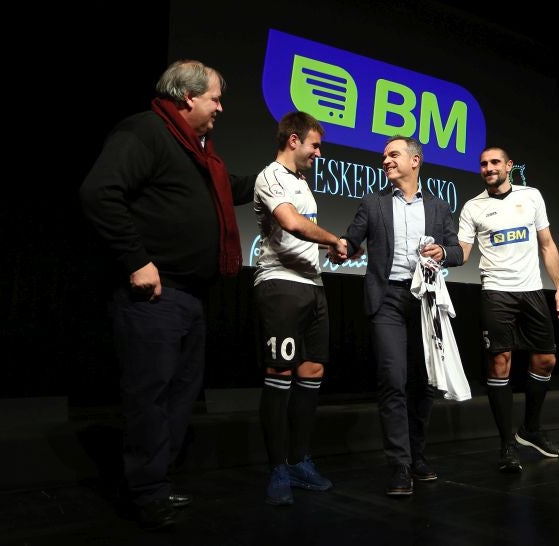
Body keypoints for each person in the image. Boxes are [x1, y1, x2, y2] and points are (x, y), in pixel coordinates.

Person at [79, 59, 255, 530]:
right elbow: (99, 193)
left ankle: (156, 481)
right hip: (155, 297)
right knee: (149, 398)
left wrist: (276, 175)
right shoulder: (146, 132)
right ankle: (146, 493)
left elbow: (227, 187)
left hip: (191, 297)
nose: (221, 107)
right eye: (215, 98)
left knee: (179, 398)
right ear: (187, 97)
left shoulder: (200, 153)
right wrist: (137, 260)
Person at [335, 136, 464, 496]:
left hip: (425, 301)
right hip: (388, 299)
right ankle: (399, 464)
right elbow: (352, 240)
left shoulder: (438, 207)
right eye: (384, 156)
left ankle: (418, 456)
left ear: (415, 161)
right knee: (393, 379)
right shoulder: (373, 203)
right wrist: (340, 246)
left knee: (423, 383)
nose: (386, 161)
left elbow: (457, 252)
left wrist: (442, 251)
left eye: (393, 155)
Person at [253, 111, 348, 506]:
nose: (318, 152)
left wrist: (330, 249)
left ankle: (299, 462)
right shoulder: (269, 176)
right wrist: (332, 238)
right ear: (293, 140)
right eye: (315, 144)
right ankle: (277, 469)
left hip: (313, 286)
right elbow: (291, 224)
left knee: (312, 371)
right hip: (280, 285)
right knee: (280, 373)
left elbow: (304, 234)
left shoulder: (303, 183)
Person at [457, 146, 559, 473]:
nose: (489, 168)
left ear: (508, 166)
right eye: (483, 164)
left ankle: (530, 429)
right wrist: (441, 254)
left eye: (494, 162)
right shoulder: (472, 207)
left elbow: (547, 244)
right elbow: (464, 252)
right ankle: (507, 445)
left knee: (546, 358)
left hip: (532, 291)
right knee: (500, 363)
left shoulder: (532, 196)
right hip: (496, 292)